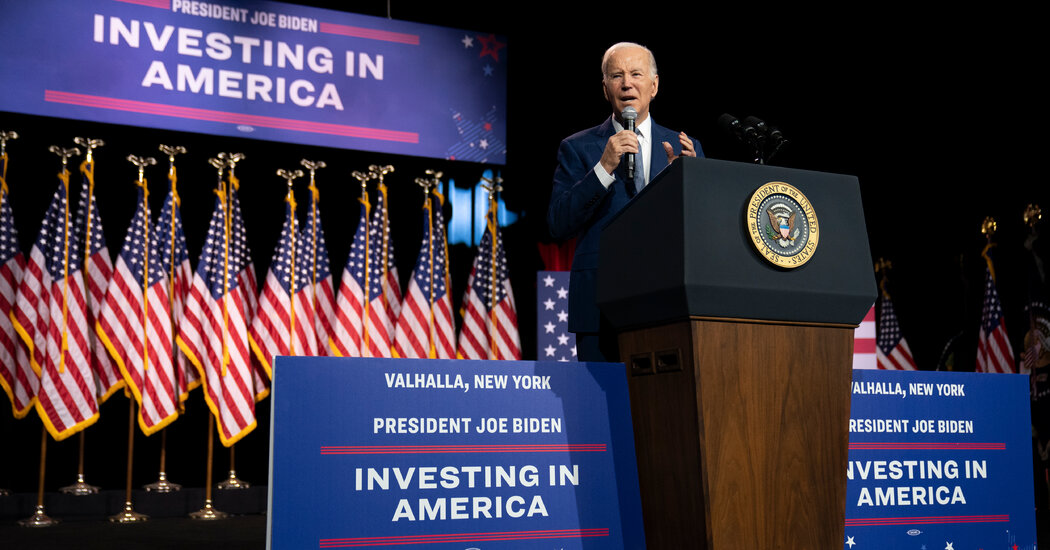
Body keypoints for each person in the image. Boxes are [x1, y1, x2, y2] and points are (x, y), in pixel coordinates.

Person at [547, 42, 703, 362]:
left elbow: (705, 233)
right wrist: (603, 169)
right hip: (599, 310)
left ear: (654, 85)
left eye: (636, 74)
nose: (627, 83)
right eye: (617, 75)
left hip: (669, 302)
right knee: (602, 410)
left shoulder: (685, 148)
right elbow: (557, 223)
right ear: (605, 89)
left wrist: (685, 186)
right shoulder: (577, 148)